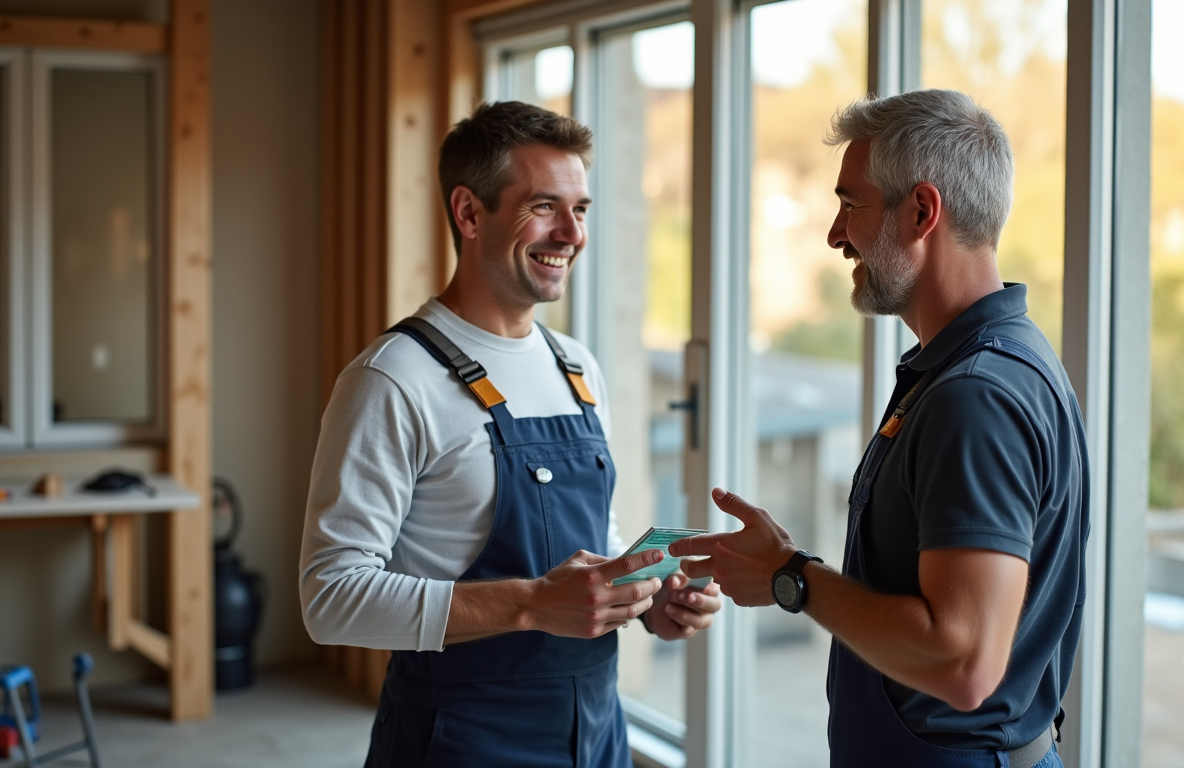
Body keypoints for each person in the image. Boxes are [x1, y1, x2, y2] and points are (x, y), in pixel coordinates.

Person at [670, 89, 1089, 768]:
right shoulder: (983, 364)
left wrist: (791, 576)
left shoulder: (975, 397)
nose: (837, 234)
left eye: (851, 205)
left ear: (922, 211)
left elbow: (962, 663)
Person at [299, 100, 721, 768]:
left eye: (580, 210)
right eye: (544, 206)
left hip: (596, 734)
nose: (571, 234)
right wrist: (529, 604)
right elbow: (331, 598)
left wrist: (647, 601)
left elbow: (593, 545)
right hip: (460, 740)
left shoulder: (577, 367)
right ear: (469, 213)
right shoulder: (392, 379)